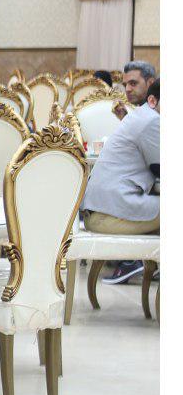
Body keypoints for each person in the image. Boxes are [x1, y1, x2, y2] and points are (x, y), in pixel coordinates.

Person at [83, 79, 159, 269]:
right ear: (152, 100)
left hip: (101, 212)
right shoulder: (152, 120)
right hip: (110, 216)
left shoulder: (142, 115)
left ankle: (140, 266)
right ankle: (132, 264)